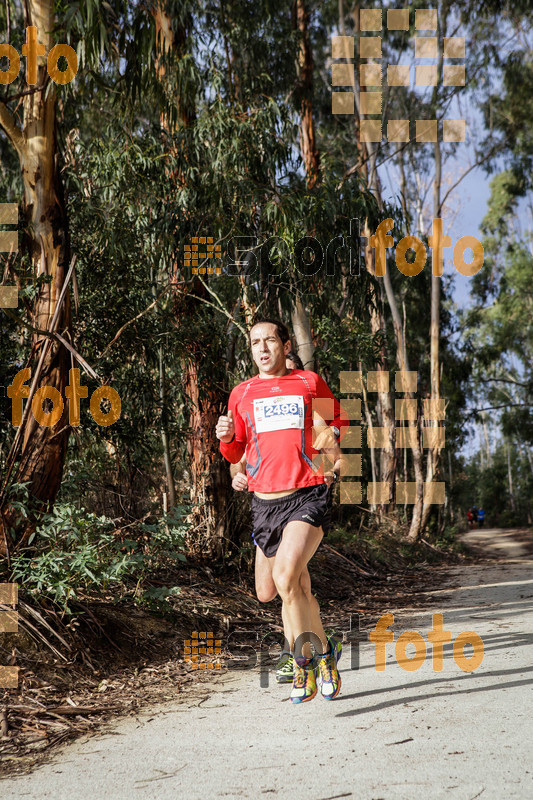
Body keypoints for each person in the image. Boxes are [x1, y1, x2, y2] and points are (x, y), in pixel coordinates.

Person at [216, 319, 348, 703]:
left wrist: (329, 452)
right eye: (255, 342)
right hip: (264, 503)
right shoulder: (241, 394)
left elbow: (339, 422)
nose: (262, 348)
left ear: (285, 345)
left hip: (307, 494)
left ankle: (305, 664)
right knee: (276, 589)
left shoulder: (308, 383)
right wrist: (229, 448)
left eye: (269, 340)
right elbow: (237, 453)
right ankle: (327, 651)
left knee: (288, 575)